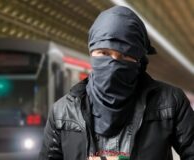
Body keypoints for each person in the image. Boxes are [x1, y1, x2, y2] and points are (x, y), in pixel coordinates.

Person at [38, 6, 194, 160]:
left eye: (125, 55)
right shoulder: (61, 112)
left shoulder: (172, 103)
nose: (113, 64)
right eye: (104, 53)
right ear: (91, 53)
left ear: (138, 60)